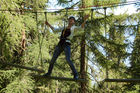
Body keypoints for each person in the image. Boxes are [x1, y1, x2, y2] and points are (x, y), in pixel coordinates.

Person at [44, 15, 89, 79]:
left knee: (68, 60)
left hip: (67, 44)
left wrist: (85, 20)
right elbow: (55, 30)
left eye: (72, 20)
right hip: (60, 44)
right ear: (68, 21)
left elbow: (81, 27)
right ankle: (49, 73)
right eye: (70, 19)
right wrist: (48, 24)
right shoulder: (64, 28)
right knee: (53, 59)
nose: (70, 20)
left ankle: (76, 74)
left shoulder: (74, 28)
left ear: (74, 22)